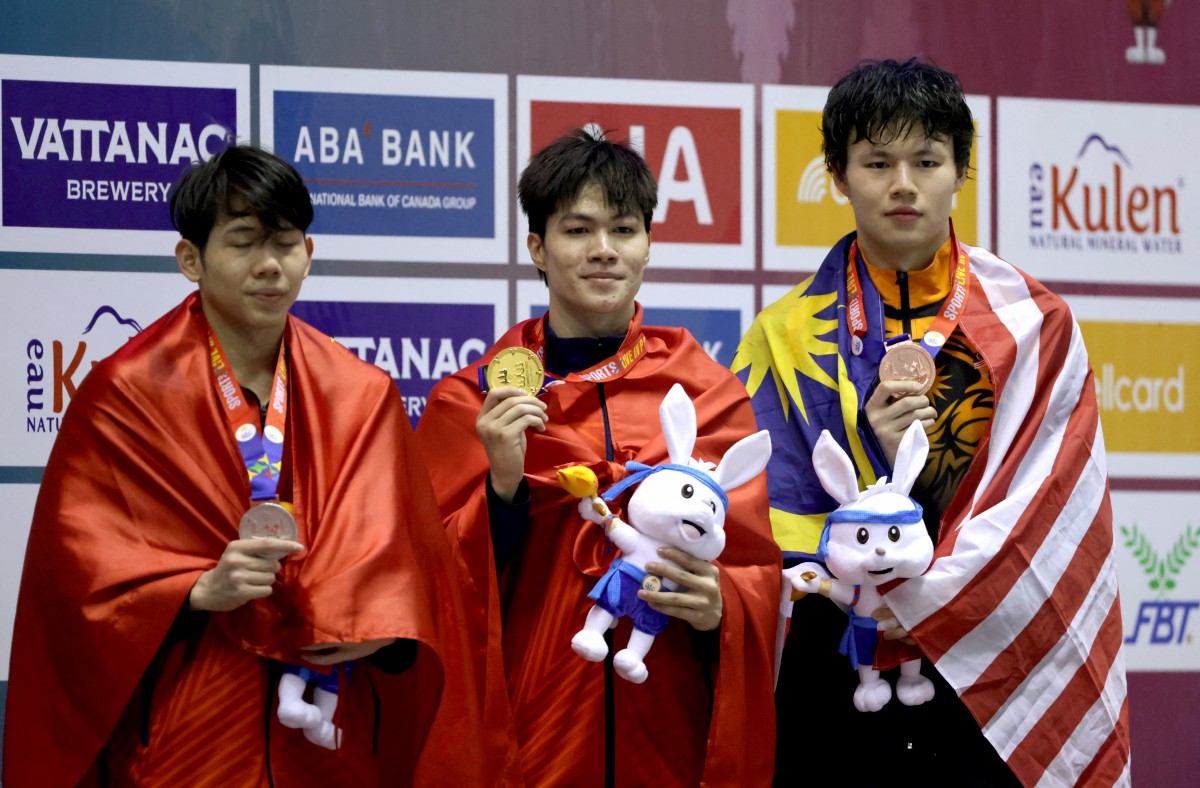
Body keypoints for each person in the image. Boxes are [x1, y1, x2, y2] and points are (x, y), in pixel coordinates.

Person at [2, 144, 502, 786]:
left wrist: (382, 631)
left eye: (287, 243)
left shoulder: (362, 393)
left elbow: (424, 580)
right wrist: (193, 592)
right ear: (191, 259)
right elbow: (74, 588)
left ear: (309, 255)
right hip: (187, 739)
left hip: (329, 743)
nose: (270, 265)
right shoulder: (125, 393)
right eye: (243, 242)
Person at [733, 59, 1130, 787]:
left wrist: (939, 590)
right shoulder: (784, 335)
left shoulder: (1031, 325)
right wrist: (872, 483)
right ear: (838, 173)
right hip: (842, 661)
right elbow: (764, 526)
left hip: (984, 663)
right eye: (877, 162)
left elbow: (1052, 508)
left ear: (961, 170)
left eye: (927, 160)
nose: (904, 184)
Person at [415, 129, 781, 786]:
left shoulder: (703, 392)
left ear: (647, 245)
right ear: (537, 247)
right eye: (578, 231)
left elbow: (755, 564)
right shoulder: (471, 401)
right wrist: (502, 489)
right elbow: (425, 584)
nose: (604, 251)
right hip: (533, 734)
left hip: (669, 728)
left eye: (624, 229)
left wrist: (722, 604)